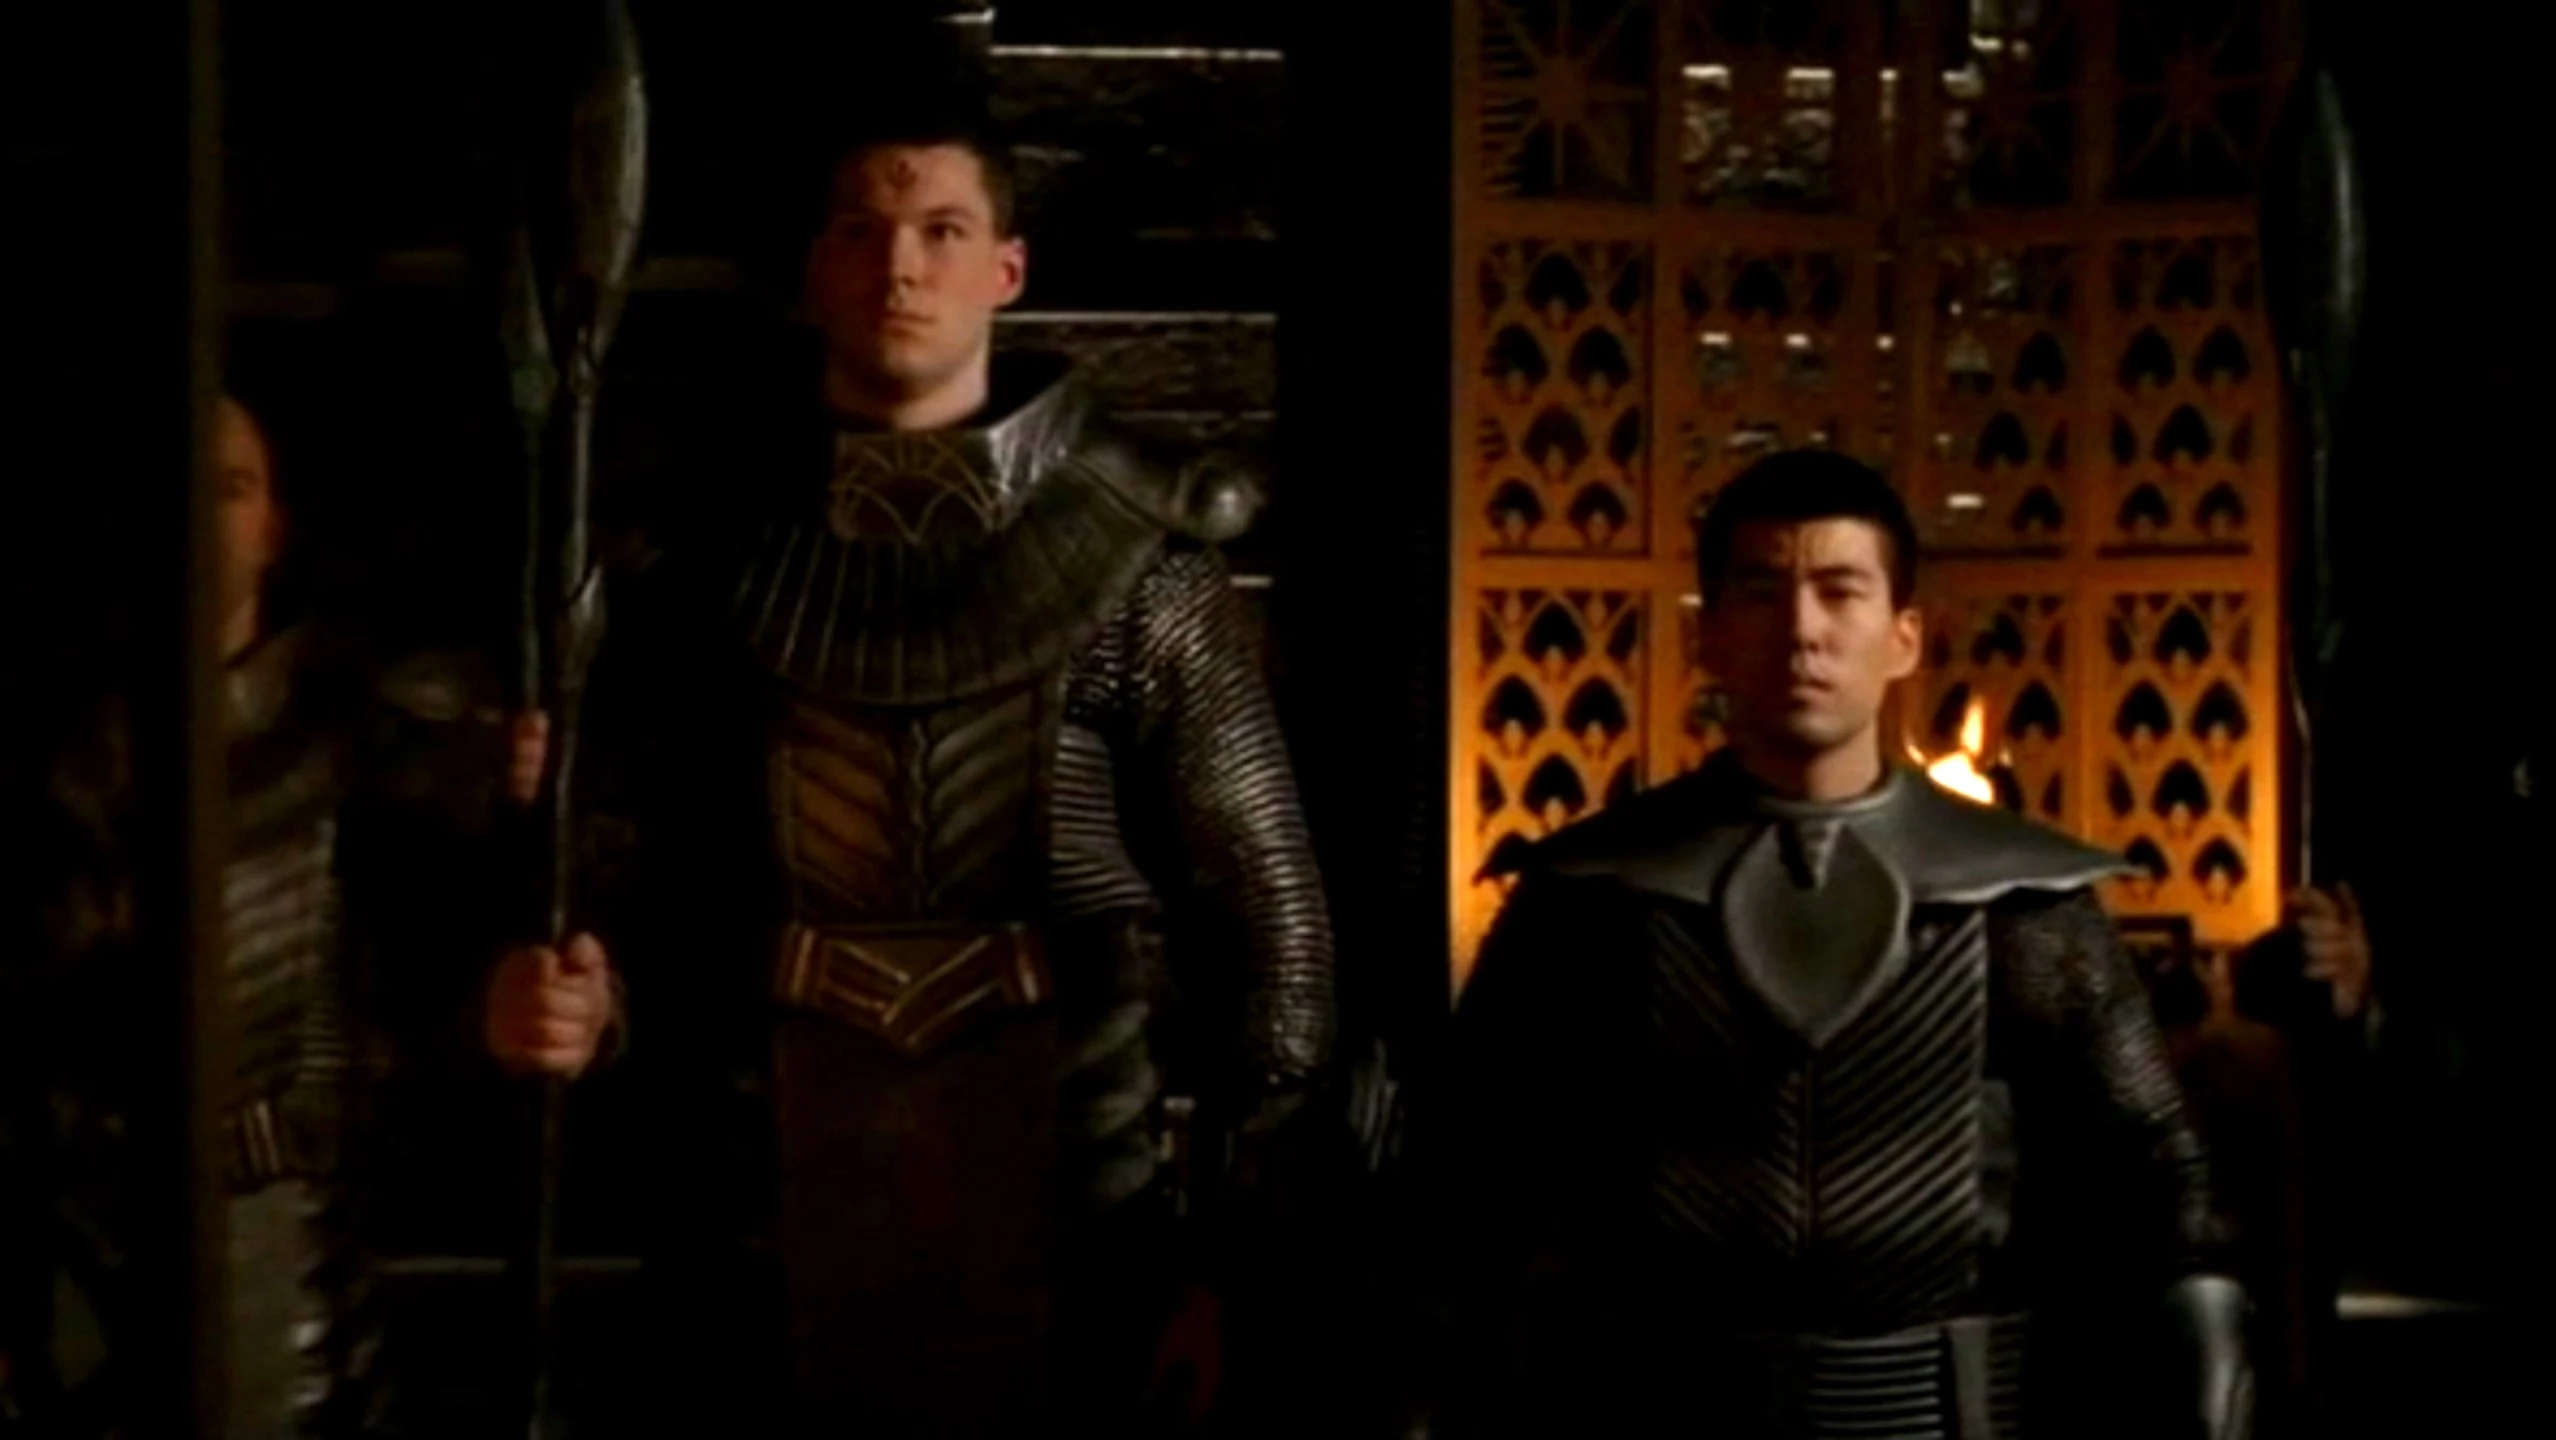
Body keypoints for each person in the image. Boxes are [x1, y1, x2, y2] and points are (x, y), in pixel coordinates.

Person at [481, 85, 1339, 1434]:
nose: (900, 266)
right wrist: (586, 986)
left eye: (942, 230)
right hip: (757, 1187)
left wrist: (1236, 1249)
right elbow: (620, 880)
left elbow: (1265, 917)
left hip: (1069, 1186)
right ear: (815, 269)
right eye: (861, 231)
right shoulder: (701, 554)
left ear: (1006, 269)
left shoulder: (1138, 562)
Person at [1404, 450, 2250, 1437]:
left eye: (1840, 592)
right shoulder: (1593, 897)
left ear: (1905, 636)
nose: (1803, 630)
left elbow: (2159, 1175)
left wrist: (2210, 1367)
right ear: (1711, 635)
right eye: (1763, 594)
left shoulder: (2024, 904)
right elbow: (1462, 1180)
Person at [1, 395, 402, 1435]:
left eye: (231, 486)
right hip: (101, 1251)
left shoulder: (358, 736)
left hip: (307, 1251)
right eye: (179, 486)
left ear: (273, 527)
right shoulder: (69, 763)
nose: (201, 515)